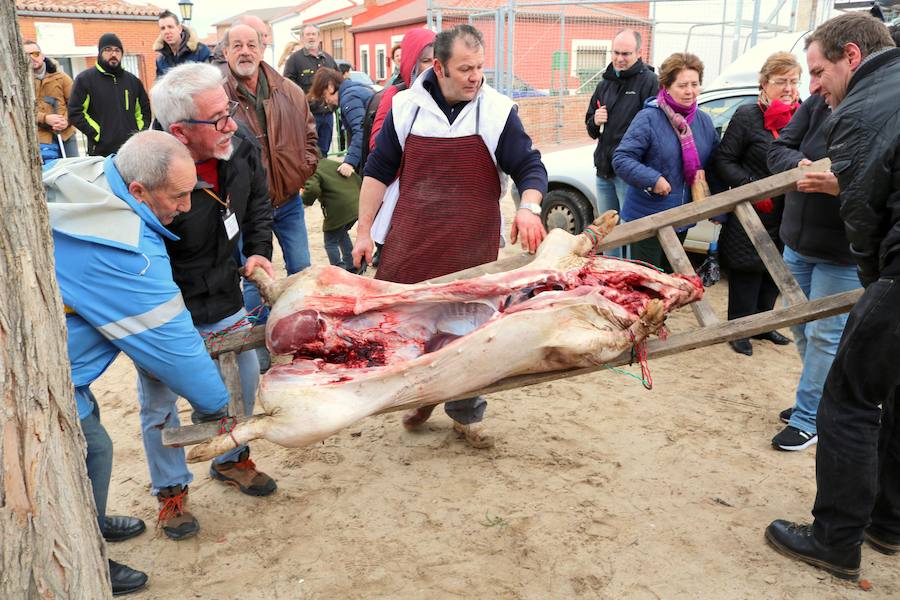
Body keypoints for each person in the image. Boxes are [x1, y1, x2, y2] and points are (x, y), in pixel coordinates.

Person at [44, 131, 235, 595]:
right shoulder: (128, 251)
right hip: (45, 376)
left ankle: (92, 518)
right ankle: (80, 548)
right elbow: (174, 345)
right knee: (91, 450)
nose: (188, 206)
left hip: (59, 357)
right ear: (138, 192)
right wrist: (214, 405)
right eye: (179, 196)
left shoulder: (84, 172)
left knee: (89, 444)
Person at [352, 25, 548, 448]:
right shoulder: (406, 107)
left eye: (479, 67)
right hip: (412, 240)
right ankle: (420, 398)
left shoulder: (497, 111)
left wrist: (529, 208)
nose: (475, 76)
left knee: (470, 333)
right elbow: (378, 172)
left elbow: (530, 167)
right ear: (438, 67)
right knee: (412, 325)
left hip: (470, 246)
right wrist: (364, 230)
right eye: (464, 69)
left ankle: (465, 412)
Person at [765, 13, 899, 581]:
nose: (815, 85)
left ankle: (834, 538)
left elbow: (863, 212)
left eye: (819, 72)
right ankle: (888, 522)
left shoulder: (862, 109)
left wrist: (878, 279)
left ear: (851, 54)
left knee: (847, 397)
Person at [146, 62, 278, 539]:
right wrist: (165, 319)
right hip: (166, 309)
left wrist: (259, 250)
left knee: (241, 382)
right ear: (179, 132)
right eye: (218, 118)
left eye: (230, 111)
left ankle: (231, 459)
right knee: (159, 403)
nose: (231, 125)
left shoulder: (238, 145)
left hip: (225, 293)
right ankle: (171, 491)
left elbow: (259, 205)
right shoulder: (146, 172)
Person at [766, 97, 860, 452]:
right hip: (797, 243)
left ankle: (809, 419)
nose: (815, 84)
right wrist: (798, 163)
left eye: (821, 71)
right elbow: (779, 148)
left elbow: (877, 178)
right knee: (801, 326)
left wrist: (839, 184)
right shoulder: (817, 106)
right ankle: (817, 398)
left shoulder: (871, 110)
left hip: (842, 254)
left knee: (824, 336)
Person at [221, 25, 318, 312]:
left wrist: (302, 171)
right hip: (246, 210)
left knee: (301, 268)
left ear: (263, 49)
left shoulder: (289, 91)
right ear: (225, 52)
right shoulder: (216, 98)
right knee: (255, 276)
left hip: (288, 201)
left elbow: (311, 136)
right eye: (237, 45)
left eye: (251, 44)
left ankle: (301, 324)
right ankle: (259, 338)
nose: (245, 51)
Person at [712, 52, 800, 357]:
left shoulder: (801, 117)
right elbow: (724, 159)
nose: (788, 88)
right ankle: (739, 329)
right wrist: (752, 187)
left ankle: (764, 324)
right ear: (764, 84)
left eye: (793, 81)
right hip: (751, 208)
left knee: (774, 270)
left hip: (786, 211)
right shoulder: (748, 116)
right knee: (747, 268)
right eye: (781, 81)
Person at [612, 52, 719, 271]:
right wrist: (653, 179)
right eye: (682, 85)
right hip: (648, 218)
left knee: (669, 280)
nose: (690, 91)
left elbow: (715, 162)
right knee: (647, 283)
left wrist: (717, 207)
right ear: (666, 86)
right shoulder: (649, 118)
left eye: (694, 84)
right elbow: (621, 159)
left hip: (682, 217)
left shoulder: (703, 121)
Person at [585, 29, 659, 258]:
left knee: (629, 231)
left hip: (630, 175)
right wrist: (595, 121)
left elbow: (656, 130)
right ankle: (611, 276)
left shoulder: (650, 83)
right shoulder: (604, 83)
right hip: (604, 171)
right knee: (607, 231)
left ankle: (628, 275)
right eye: (615, 53)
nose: (619, 58)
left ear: (639, 52)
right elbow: (590, 128)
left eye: (625, 53)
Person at [68, 34, 150, 157]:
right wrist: (98, 134)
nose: (113, 54)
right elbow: (75, 112)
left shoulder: (133, 81)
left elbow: (144, 112)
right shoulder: (85, 80)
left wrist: (137, 134)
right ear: (100, 52)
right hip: (101, 152)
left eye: (117, 50)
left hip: (132, 151)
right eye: (108, 50)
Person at [284, 24, 339, 156]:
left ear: (319, 37)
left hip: (327, 115)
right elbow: (286, 86)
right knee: (308, 152)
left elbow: (338, 81)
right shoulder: (294, 60)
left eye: (313, 34)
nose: (311, 37)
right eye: (307, 35)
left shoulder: (328, 59)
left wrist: (335, 104)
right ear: (302, 38)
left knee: (324, 152)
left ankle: (321, 176)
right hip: (307, 116)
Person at [308, 67, 374, 176]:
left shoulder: (348, 98)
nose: (326, 101)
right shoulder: (355, 89)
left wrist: (349, 162)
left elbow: (360, 130)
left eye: (324, 95)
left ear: (330, 87)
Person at [302, 149, 361, 270]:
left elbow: (312, 189)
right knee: (341, 234)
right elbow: (355, 178)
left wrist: (305, 201)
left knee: (330, 241)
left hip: (340, 209)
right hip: (357, 205)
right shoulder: (332, 164)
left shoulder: (312, 170)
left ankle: (338, 268)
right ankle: (352, 265)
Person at [25, 40, 78, 160]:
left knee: (73, 170)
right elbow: (22, 111)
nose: (32, 58)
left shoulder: (62, 78)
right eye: (26, 55)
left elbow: (75, 105)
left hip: (66, 135)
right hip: (40, 137)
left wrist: (66, 121)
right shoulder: (21, 84)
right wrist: (45, 118)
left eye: (35, 54)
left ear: (42, 56)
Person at [154, 9, 211, 77]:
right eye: (163, 28)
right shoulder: (160, 60)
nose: (167, 31)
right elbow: (159, 85)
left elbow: (210, 81)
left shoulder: (201, 51)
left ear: (179, 29)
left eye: (170, 27)